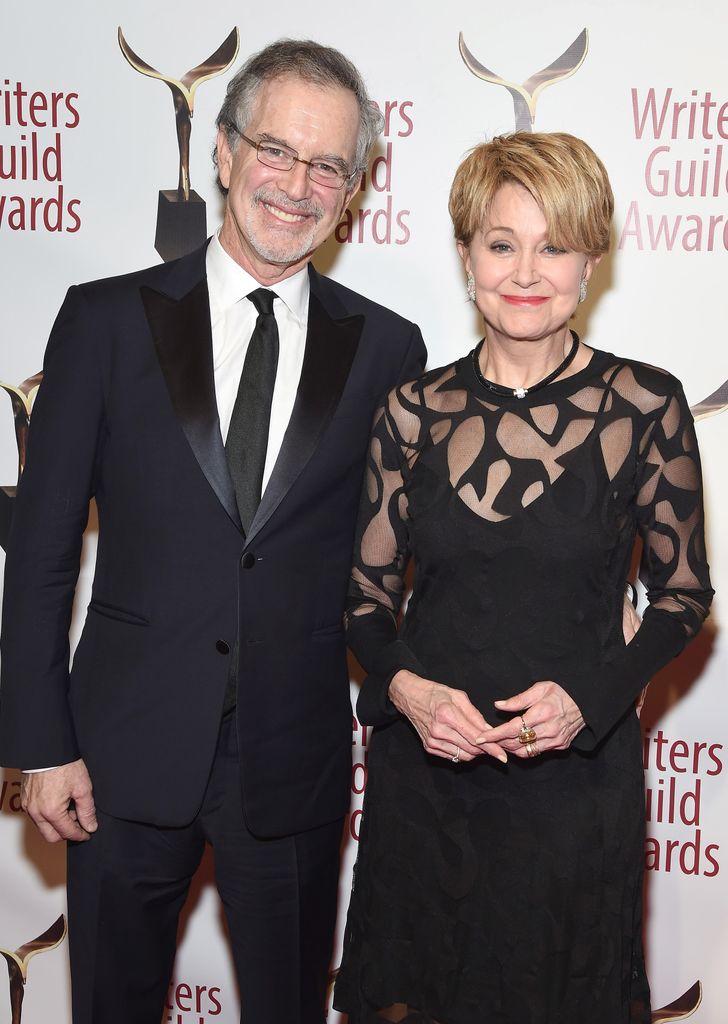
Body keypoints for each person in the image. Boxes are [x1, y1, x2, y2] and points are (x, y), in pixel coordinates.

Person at [0, 39, 426, 1024]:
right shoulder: (104, 321)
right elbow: (45, 547)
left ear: (353, 188)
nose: (296, 184)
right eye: (275, 150)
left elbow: (405, 560)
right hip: (114, 759)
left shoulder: (389, 348)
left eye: (327, 165)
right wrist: (39, 740)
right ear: (223, 154)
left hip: (294, 762)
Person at [334, 132, 713, 1023]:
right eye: (502, 243)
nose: (526, 270)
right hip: (429, 770)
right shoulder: (414, 410)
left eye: (556, 245)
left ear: (592, 262)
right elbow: (363, 600)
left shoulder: (647, 405)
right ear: (467, 256)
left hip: (572, 778)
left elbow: (685, 594)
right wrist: (414, 696)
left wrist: (591, 697)